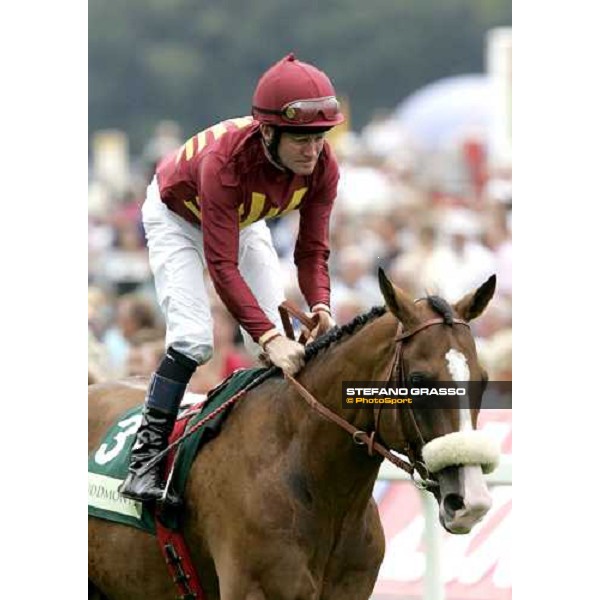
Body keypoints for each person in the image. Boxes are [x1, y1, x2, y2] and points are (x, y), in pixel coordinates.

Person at [119, 53, 344, 502]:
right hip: (176, 216)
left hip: (241, 217)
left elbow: (312, 250)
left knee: (282, 343)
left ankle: (278, 454)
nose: (313, 149)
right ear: (268, 131)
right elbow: (221, 266)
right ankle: (143, 464)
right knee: (193, 338)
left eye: (320, 136)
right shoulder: (224, 165)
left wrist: (321, 305)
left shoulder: (323, 167)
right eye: (301, 138)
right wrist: (267, 337)